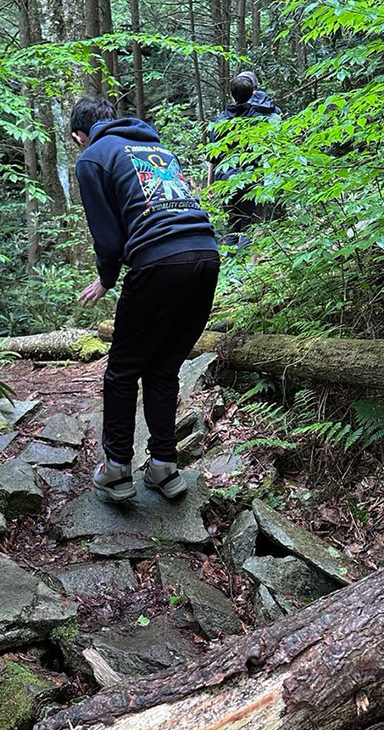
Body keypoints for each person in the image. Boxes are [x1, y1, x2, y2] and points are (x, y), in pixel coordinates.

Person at [70, 95, 220, 503]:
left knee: (122, 371)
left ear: (78, 135)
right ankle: (164, 468)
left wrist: (106, 278)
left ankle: (117, 470)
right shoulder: (156, 148)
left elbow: (107, 234)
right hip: (206, 258)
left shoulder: (93, 157)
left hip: (158, 262)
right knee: (163, 367)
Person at [207, 71, 281, 249]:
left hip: (225, 180)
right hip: (250, 178)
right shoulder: (259, 118)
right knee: (249, 225)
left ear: (232, 94)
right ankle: (242, 274)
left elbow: (213, 157)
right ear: (253, 92)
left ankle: (231, 270)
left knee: (232, 225)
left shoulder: (220, 121)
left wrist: (210, 184)